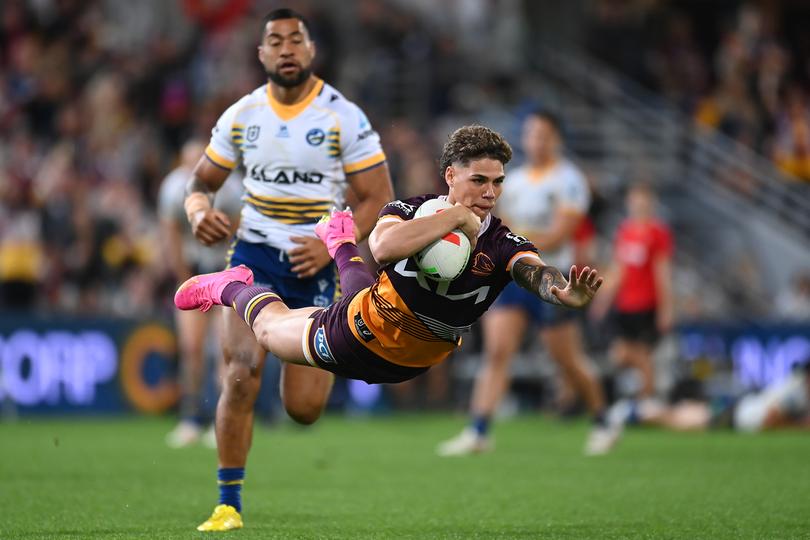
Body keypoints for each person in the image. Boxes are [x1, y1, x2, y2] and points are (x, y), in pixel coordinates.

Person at [175, 124, 603, 498]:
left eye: (498, 182)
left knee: (365, 303)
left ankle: (339, 243)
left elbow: (535, 272)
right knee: (270, 333)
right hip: (356, 333)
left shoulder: (503, 244)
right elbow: (382, 247)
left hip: (411, 361)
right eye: (478, 180)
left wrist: (561, 291)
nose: (490, 193)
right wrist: (453, 217)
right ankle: (231, 285)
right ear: (450, 176)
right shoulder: (407, 209)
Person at [183, 9, 393, 532]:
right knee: (239, 373)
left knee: (303, 410)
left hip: (314, 264)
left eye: (294, 40)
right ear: (261, 54)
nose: (285, 49)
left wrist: (331, 247)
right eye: (274, 41)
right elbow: (200, 183)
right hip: (254, 255)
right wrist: (197, 214)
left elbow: (378, 198)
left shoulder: (343, 116)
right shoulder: (242, 114)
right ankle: (227, 503)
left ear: (310, 50)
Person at [437, 110, 613, 457]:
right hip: (513, 276)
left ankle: (602, 420)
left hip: (551, 277)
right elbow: (501, 227)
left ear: (556, 139)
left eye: (544, 134)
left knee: (567, 359)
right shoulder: (511, 181)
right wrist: (513, 241)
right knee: (498, 352)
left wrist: (518, 238)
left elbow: (561, 233)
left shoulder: (569, 180)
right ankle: (479, 430)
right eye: (532, 134)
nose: (537, 141)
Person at [158, 139, 242, 448]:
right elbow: (171, 240)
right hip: (193, 272)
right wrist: (185, 281)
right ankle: (190, 418)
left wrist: (229, 280)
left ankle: (221, 421)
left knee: (223, 350)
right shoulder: (172, 189)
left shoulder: (230, 190)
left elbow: (238, 237)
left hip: (222, 273)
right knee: (191, 348)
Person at [590, 182, 674, 400]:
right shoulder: (625, 231)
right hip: (625, 304)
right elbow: (619, 270)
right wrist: (603, 300)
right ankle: (645, 396)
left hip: (646, 304)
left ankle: (646, 400)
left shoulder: (657, 233)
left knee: (642, 354)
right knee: (621, 354)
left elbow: (662, 272)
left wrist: (666, 308)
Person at [607, 364, 810, 433]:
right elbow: (771, 418)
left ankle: (633, 411)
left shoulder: (796, 385)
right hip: (736, 416)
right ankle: (631, 411)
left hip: (739, 412)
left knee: (679, 416)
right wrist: (798, 425)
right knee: (678, 420)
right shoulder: (797, 391)